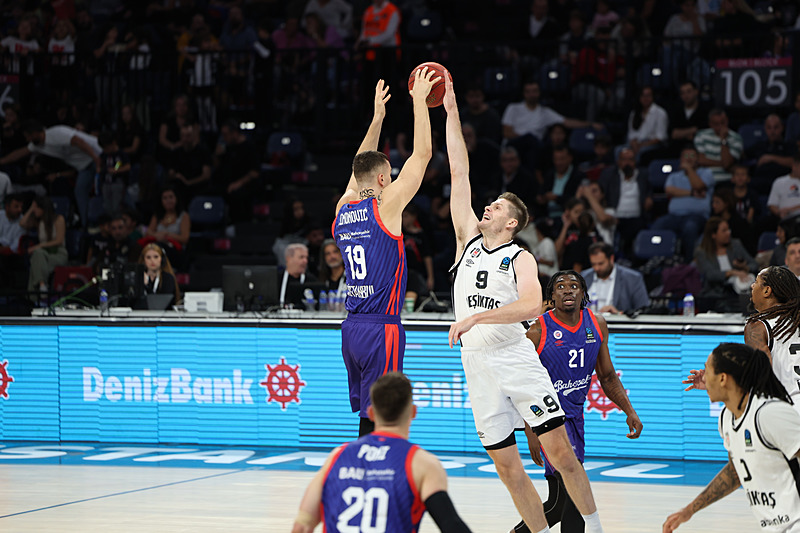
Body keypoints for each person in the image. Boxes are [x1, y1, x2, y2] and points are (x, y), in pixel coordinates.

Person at [444, 71, 604, 533]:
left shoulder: (521, 256)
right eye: (487, 204)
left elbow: (534, 306)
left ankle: (593, 529)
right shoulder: (466, 241)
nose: (487, 208)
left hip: (514, 357)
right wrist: (451, 109)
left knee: (560, 455)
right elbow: (459, 169)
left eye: (496, 207)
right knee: (508, 469)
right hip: (477, 363)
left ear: (512, 223)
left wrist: (476, 315)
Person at [333, 73, 435, 437]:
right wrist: (419, 102)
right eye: (388, 177)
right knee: (385, 414)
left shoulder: (343, 207)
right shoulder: (385, 207)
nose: (392, 183)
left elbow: (358, 167)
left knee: (367, 413)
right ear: (381, 181)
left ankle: (365, 468)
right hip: (381, 326)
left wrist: (377, 118)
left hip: (351, 328)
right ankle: (375, 474)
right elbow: (422, 155)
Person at [514, 270, 642, 532]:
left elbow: (607, 376)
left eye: (574, 286)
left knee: (559, 502)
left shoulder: (597, 324)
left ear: (584, 293)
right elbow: (522, 386)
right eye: (560, 286)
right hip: (549, 420)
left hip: (576, 418)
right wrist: (530, 429)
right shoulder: (537, 330)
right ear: (552, 295)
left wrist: (629, 410)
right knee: (573, 498)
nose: (568, 290)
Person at [291, 372, 472, 533]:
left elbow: (302, 526)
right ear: (413, 412)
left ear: (370, 413)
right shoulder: (422, 463)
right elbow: (451, 525)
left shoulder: (336, 456)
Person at [664, 342, 800, 532]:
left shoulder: (769, 413)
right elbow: (736, 472)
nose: (703, 377)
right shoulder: (727, 418)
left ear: (723, 379)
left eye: (707, 370)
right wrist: (689, 510)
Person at [685, 266, 800, 412]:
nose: (752, 285)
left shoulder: (758, 326)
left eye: (757, 282)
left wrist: (718, 382)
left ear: (767, 291)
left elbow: (761, 375)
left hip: (788, 411)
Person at [0, 120, 101, 227]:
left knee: (105, 189)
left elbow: (79, 142)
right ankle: (87, 225)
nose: (27, 139)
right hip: (84, 166)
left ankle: (102, 221)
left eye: (28, 136)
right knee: (80, 192)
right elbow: (20, 153)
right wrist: (1, 161)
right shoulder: (38, 145)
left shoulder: (56, 133)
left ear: (35, 133)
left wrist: (97, 159)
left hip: (97, 155)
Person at [651, 144, 716, 261]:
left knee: (690, 228)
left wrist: (689, 169)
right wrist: (692, 193)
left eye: (692, 155)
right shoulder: (675, 176)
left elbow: (699, 186)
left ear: (698, 158)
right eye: (685, 155)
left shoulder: (706, 173)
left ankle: (689, 262)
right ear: (681, 159)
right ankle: (656, 260)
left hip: (697, 216)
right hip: (674, 216)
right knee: (658, 225)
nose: (689, 158)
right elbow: (669, 190)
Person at [598, 147, 652, 257]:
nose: (627, 163)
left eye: (630, 160)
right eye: (624, 159)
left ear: (635, 161)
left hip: (637, 219)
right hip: (616, 219)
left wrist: (649, 198)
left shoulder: (643, 175)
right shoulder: (610, 175)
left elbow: (649, 192)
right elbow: (601, 193)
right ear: (618, 161)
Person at [693, 217, 757, 310]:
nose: (728, 233)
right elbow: (711, 274)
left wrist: (744, 267)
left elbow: (754, 264)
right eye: (724, 231)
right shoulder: (702, 252)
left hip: (736, 291)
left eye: (728, 229)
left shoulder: (736, 245)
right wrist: (733, 272)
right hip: (714, 293)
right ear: (713, 234)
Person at [583, 242, 650, 314]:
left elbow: (644, 310)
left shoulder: (632, 279)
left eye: (601, 263)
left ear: (611, 259)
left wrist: (619, 314)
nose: (596, 268)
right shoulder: (583, 277)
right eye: (593, 264)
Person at [25, 196, 68, 295]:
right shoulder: (38, 222)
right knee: (38, 256)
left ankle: (35, 297)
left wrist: (39, 246)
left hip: (58, 253)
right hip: (43, 255)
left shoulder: (59, 219)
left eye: (36, 207)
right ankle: (42, 286)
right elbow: (22, 223)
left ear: (43, 208)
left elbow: (59, 240)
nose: (34, 210)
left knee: (36, 262)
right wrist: (31, 208)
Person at [144, 186, 190, 269]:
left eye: (171, 197)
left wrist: (167, 235)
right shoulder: (157, 216)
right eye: (165, 198)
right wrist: (158, 236)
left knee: (158, 247)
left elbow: (185, 239)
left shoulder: (183, 216)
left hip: (176, 251)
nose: (168, 201)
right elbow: (148, 232)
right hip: (158, 247)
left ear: (176, 199)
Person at [694, 109, 743, 183]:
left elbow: (727, 164)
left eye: (723, 123)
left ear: (727, 121)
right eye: (716, 124)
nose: (720, 127)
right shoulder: (701, 135)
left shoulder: (736, 139)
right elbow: (701, 160)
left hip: (726, 181)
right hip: (703, 180)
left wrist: (723, 140)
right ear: (710, 124)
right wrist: (722, 163)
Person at [138, 243, 180, 307]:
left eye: (156, 257)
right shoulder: (137, 278)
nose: (152, 260)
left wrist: (147, 286)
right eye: (148, 257)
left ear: (162, 259)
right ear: (144, 261)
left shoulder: (168, 278)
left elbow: (160, 304)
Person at [280, 243, 317, 309]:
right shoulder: (276, 279)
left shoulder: (312, 281)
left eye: (306, 258)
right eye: (301, 257)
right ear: (289, 259)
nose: (305, 261)